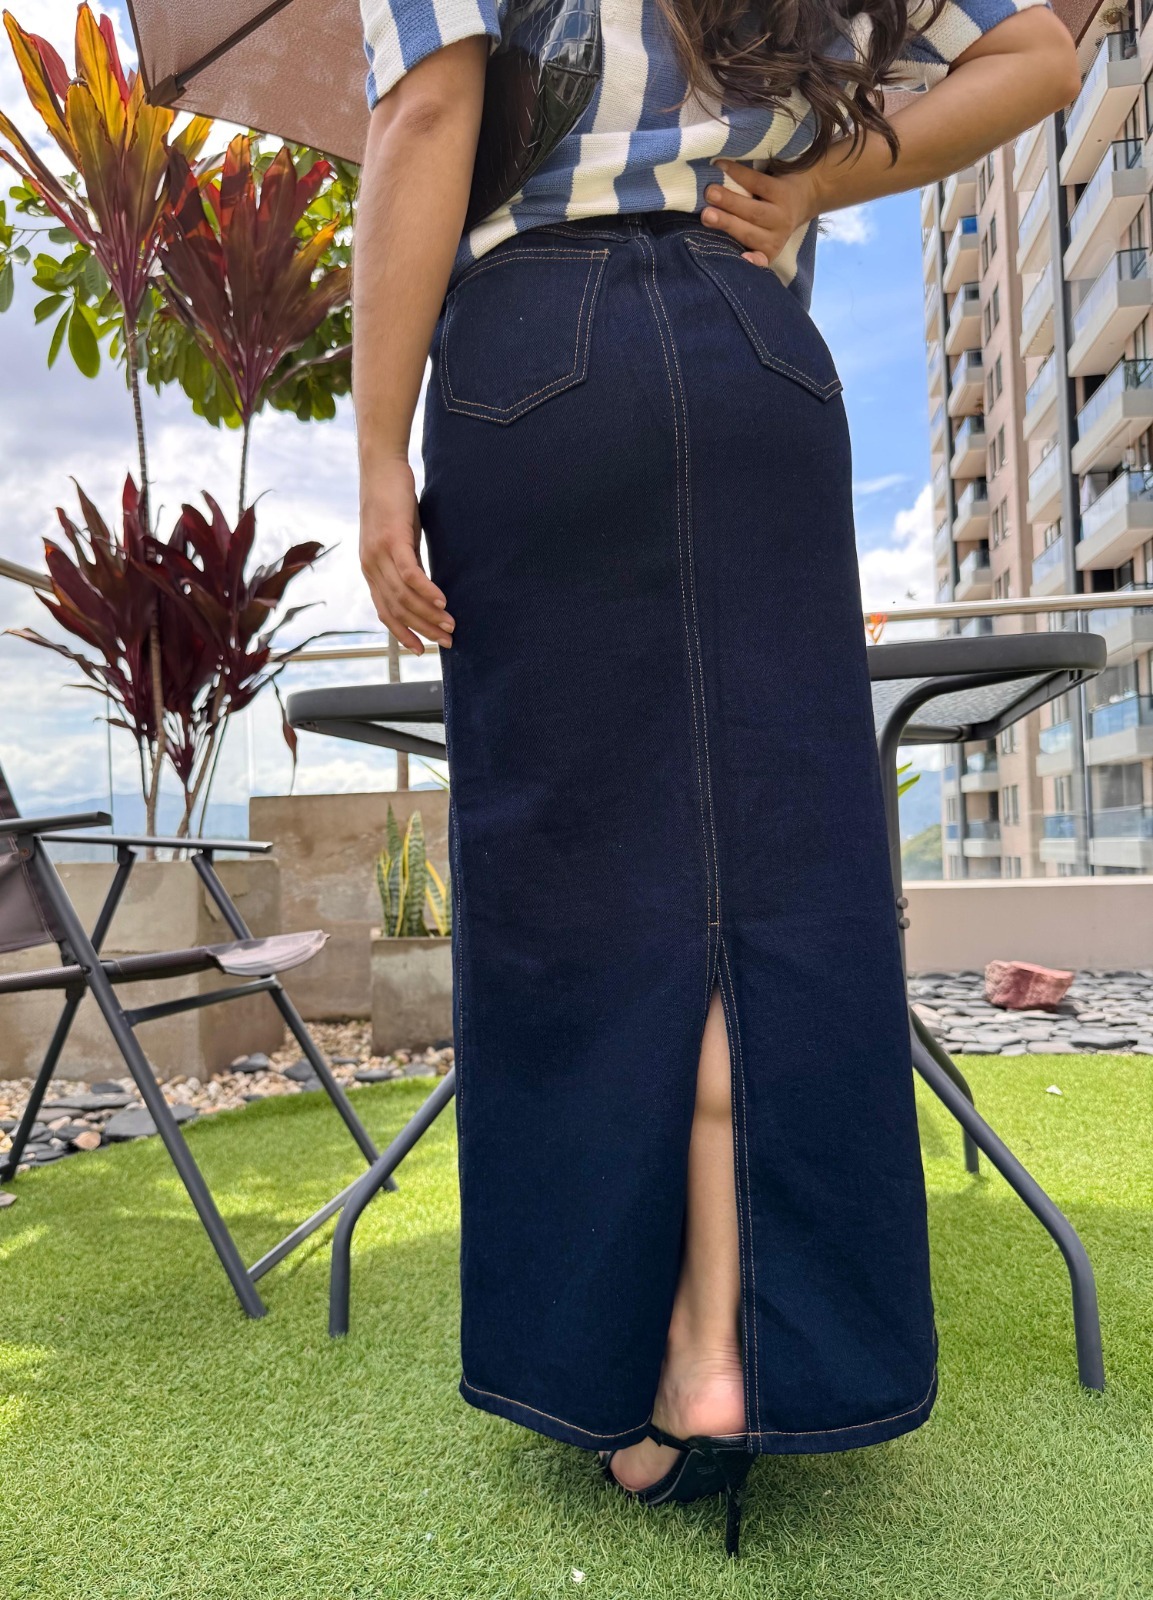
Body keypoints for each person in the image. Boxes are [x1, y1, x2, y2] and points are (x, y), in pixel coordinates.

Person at [352, 0, 1080, 1560]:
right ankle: (721, 1346)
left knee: (580, 874)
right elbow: (1039, 52)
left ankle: (636, 1358)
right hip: (757, 353)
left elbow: (423, 117)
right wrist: (817, 180)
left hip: (534, 359)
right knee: (770, 862)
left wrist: (375, 463)